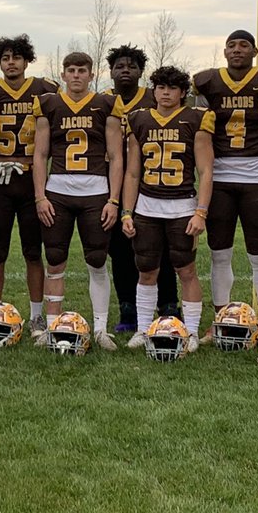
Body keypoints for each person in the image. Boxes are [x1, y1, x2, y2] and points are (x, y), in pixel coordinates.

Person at [191, 30, 258, 338]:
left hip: (255, 175)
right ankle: (221, 319)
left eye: (244, 45)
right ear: (224, 52)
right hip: (219, 175)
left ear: (254, 51)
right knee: (219, 253)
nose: (237, 50)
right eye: (231, 45)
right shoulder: (208, 81)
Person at [32, 52, 124, 350]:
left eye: (81, 70)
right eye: (71, 70)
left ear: (91, 74)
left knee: (97, 260)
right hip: (58, 191)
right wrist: (40, 196)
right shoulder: (49, 104)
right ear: (63, 74)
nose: (76, 75)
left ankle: (100, 329)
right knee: (54, 259)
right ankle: (52, 327)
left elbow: (116, 156)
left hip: (95, 191)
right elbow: (40, 155)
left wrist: (113, 199)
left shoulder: (106, 104)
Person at [121, 66, 215, 348]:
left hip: (182, 207)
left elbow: (205, 171)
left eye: (172, 88)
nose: (165, 93)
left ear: (182, 92)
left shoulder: (195, 118)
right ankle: (142, 329)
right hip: (147, 207)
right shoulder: (139, 119)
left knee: (186, 270)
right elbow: (132, 173)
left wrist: (201, 211)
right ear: (154, 90)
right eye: (160, 87)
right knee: (146, 270)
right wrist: (127, 212)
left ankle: (192, 331)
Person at [0, 34, 57, 335]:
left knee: (33, 251)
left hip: (31, 176)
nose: (11, 63)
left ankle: (36, 316)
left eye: (16, 57)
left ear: (26, 61)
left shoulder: (44, 90)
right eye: (5, 58)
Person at [103, 45, 178, 331]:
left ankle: (168, 303)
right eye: (119, 66)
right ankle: (128, 307)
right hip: (112, 180)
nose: (125, 70)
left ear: (141, 72)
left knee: (160, 246)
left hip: (153, 179)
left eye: (131, 66)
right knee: (119, 248)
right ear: (110, 71)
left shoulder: (153, 97)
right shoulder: (101, 101)